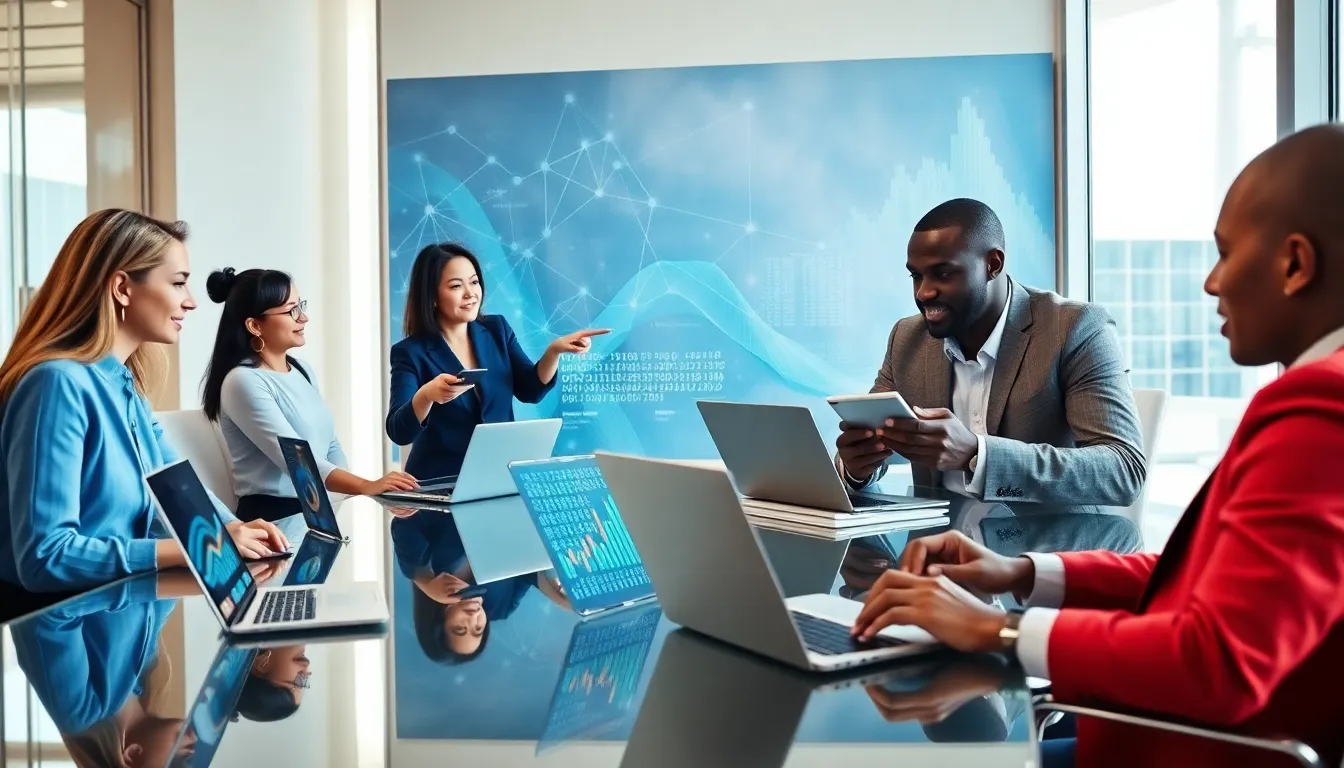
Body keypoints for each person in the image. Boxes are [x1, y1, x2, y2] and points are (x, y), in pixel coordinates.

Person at [851, 124, 1344, 767]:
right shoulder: (908, 339)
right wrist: (1020, 574)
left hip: (1167, 748)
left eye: (1225, 253)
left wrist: (996, 628)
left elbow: (1218, 662)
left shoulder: (1317, 405)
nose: (1211, 282)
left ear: (1296, 264)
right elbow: (1196, 579)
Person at [0, 210, 287, 592]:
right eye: (178, 283)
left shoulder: (124, 388)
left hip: (131, 608)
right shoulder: (56, 385)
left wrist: (233, 529)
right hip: (73, 619)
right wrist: (196, 547)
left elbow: (178, 488)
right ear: (122, 288)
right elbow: (46, 557)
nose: (191, 302)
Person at [835, 198, 1146, 514]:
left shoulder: (1074, 329)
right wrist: (858, 468)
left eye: (943, 273)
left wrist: (976, 454)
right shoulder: (906, 338)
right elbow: (871, 443)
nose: (923, 293)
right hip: (939, 541)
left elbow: (1123, 470)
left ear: (993, 264)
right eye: (916, 276)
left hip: (1047, 540)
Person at [202, 267, 418, 522]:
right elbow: (297, 461)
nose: (303, 318)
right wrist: (366, 486)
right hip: (273, 522)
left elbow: (331, 445)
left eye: (300, 306)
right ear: (254, 325)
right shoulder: (242, 381)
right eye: (291, 310)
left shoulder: (302, 370)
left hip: (318, 511)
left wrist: (347, 496)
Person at [386, 243, 608, 480]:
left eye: (474, 282)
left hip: (499, 477)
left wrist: (554, 351)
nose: (470, 293)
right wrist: (427, 395)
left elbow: (530, 390)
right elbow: (399, 431)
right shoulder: (409, 352)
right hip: (440, 485)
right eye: (456, 286)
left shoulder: (496, 329)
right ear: (432, 296)